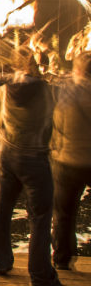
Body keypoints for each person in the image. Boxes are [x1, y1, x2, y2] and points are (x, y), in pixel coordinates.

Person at [0, 47, 76, 286]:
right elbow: (63, 89)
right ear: (36, 65)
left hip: (6, 153)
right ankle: (40, 277)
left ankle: (0, 261)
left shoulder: (6, 86)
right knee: (39, 217)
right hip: (34, 158)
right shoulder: (47, 90)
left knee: (2, 208)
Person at [52, 51, 91, 272]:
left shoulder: (66, 92)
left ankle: (62, 259)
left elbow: (57, 122)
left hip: (67, 161)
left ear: (78, 71)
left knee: (63, 214)